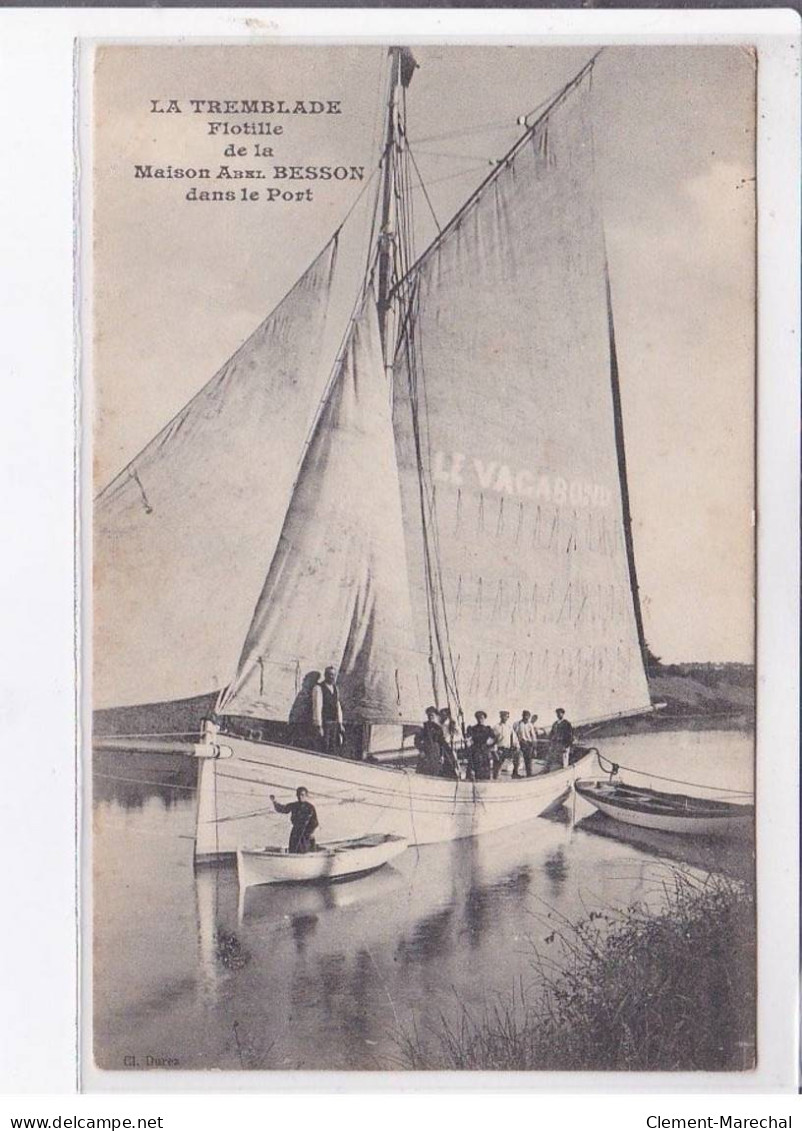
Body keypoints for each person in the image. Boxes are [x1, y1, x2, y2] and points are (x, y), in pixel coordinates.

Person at [270, 787, 319, 854]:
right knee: (293, 850)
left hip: (306, 834)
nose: (300, 797)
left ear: (306, 795)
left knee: (305, 851)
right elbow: (284, 809)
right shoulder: (294, 805)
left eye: (302, 795)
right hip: (295, 832)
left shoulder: (310, 807)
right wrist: (275, 802)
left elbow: (315, 822)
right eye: (298, 795)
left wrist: (311, 832)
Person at [312, 666, 345, 756]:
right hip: (325, 722)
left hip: (333, 723)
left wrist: (340, 723)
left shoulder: (335, 688)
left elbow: (337, 705)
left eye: (333, 675)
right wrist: (319, 725)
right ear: (325, 675)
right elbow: (317, 706)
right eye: (330, 674)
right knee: (324, 746)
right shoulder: (318, 688)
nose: (332, 677)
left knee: (333, 746)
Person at [415, 707, 450, 776]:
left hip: (435, 753)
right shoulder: (424, 727)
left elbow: (442, 743)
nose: (430, 717)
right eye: (429, 715)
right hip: (426, 751)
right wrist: (421, 750)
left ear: (435, 716)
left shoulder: (438, 728)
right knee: (423, 772)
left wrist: (442, 756)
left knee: (435, 771)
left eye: (432, 715)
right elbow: (417, 740)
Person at [466, 710, 495, 781]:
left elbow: (493, 739)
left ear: (484, 718)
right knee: (474, 768)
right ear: (476, 719)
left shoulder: (488, 729)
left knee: (485, 769)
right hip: (475, 750)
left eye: (482, 718)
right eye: (478, 718)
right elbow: (468, 738)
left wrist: (489, 746)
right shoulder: (472, 728)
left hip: (484, 751)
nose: (480, 720)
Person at [492, 710, 520, 780]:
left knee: (517, 755)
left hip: (508, 749)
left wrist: (516, 746)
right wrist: (494, 751)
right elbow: (493, 740)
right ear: (500, 717)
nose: (505, 718)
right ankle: (495, 778)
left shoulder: (509, 727)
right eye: (503, 716)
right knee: (497, 766)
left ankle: (515, 773)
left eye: (507, 716)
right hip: (500, 749)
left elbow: (514, 738)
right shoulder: (496, 727)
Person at [438, 707, 461, 778]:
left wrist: (453, 729)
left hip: (449, 744)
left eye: (443, 714)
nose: (442, 716)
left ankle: (455, 775)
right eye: (441, 715)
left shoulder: (451, 723)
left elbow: (459, 734)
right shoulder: (440, 724)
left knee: (452, 761)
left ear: (447, 715)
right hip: (442, 744)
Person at [513, 709, 537, 777]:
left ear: (529, 717)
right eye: (524, 715)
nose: (526, 717)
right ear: (522, 716)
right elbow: (514, 734)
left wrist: (534, 748)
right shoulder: (517, 724)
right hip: (519, 743)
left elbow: (533, 736)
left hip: (528, 744)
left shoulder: (530, 725)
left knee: (528, 760)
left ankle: (529, 774)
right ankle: (515, 773)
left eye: (527, 716)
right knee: (516, 759)